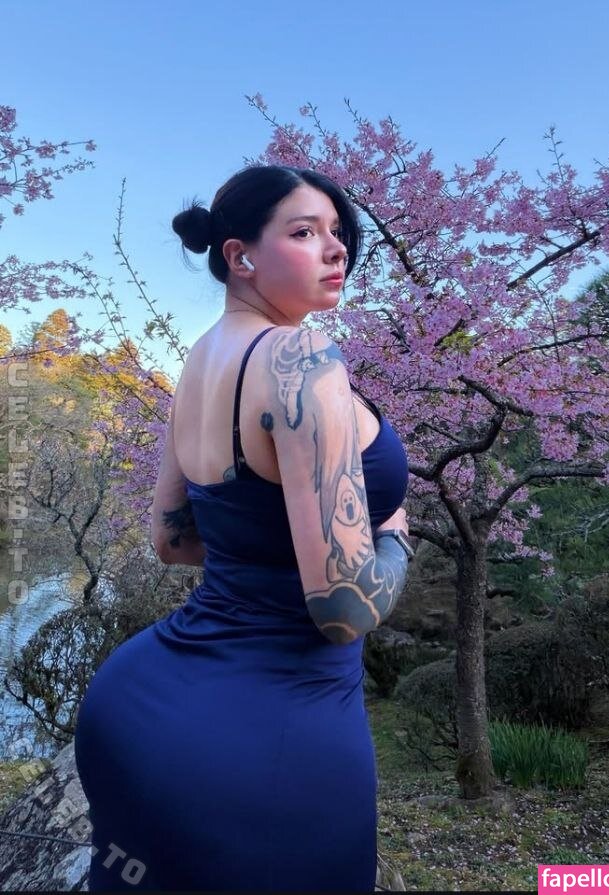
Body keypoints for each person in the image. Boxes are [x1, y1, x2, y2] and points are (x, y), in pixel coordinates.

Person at [74, 164, 412, 892]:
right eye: (305, 232)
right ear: (240, 256)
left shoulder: (201, 357)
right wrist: (395, 534)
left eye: (337, 232)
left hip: (141, 702)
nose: (336, 249)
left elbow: (172, 540)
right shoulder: (301, 358)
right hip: (268, 731)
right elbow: (344, 608)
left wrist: (264, 553)